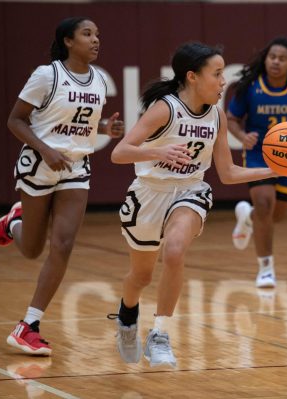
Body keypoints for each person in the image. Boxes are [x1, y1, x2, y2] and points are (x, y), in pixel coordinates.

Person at [110, 42, 277, 367]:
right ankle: (127, 316)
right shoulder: (164, 108)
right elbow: (119, 153)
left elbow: (227, 173)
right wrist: (158, 152)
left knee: (174, 251)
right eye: (217, 74)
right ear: (192, 77)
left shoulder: (216, 115)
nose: (223, 81)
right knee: (140, 277)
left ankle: (160, 334)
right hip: (149, 194)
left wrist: (274, 169)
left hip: (190, 191)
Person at [0, 17, 123, 356]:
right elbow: (15, 120)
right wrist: (45, 149)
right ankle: (14, 223)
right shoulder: (47, 75)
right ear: (68, 41)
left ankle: (28, 325)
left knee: (63, 244)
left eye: (97, 34)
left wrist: (105, 132)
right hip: (39, 165)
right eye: (87, 34)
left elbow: (78, 130)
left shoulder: (98, 79)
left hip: (76, 168)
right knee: (32, 249)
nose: (95, 40)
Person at [227, 37, 287, 288]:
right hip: (258, 153)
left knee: (275, 216)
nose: (275, 62)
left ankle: (246, 216)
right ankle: (266, 269)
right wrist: (241, 136)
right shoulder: (251, 85)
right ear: (265, 59)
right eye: (272, 57)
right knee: (263, 203)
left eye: (282, 58)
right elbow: (231, 118)